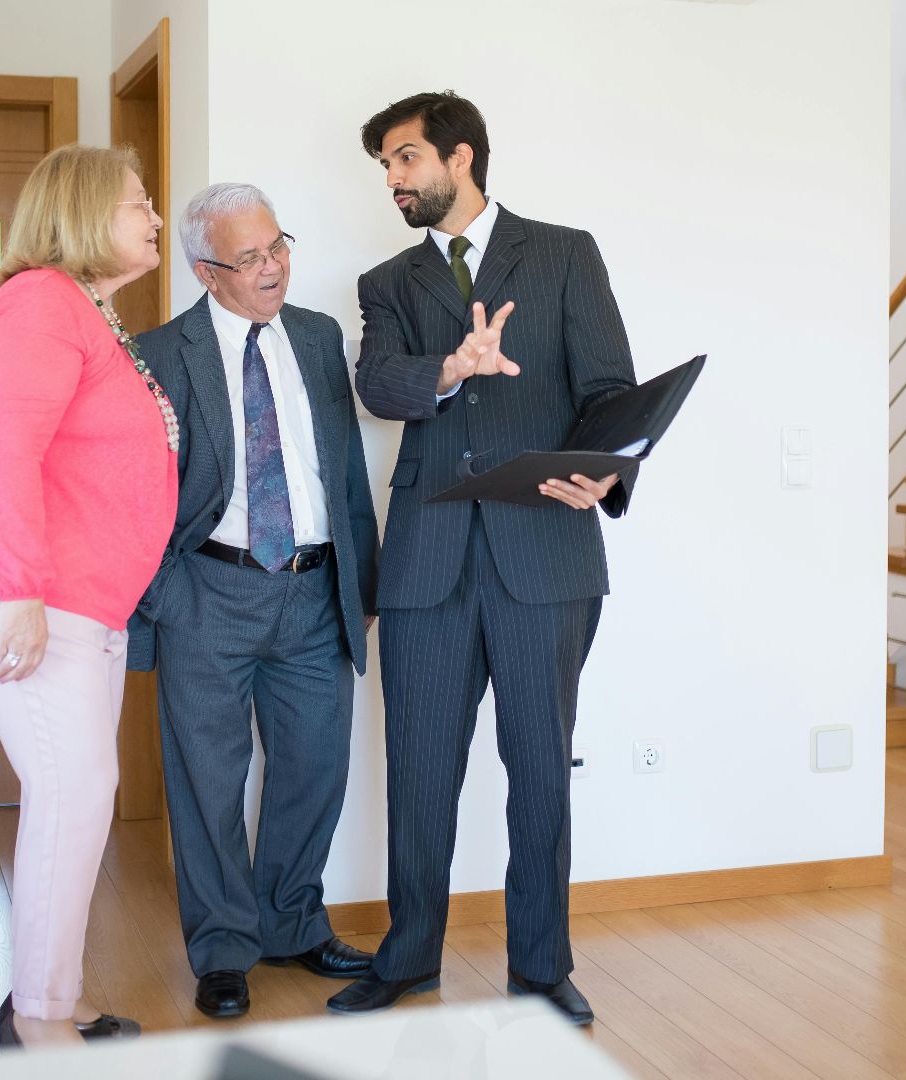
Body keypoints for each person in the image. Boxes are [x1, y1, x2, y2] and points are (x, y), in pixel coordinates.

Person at [327, 92, 638, 1025]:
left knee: (541, 766)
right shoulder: (387, 282)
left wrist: (602, 477)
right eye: (384, 164)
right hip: (427, 558)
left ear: (460, 158)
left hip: (544, 551)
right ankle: (410, 954)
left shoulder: (563, 253)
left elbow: (611, 390)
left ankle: (541, 967)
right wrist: (454, 367)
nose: (392, 179)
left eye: (405, 158)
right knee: (420, 769)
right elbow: (377, 385)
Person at [0, 143, 177, 1048]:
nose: (154, 219)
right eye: (137, 205)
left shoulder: (89, 313)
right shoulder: (40, 304)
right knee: (73, 794)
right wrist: (24, 593)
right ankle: (37, 1022)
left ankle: (54, 993)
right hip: (32, 595)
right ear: (81, 217)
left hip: (86, 601)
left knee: (78, 797)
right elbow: (5, 457)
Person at [129, 183, 380, 1019]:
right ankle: (224, 947)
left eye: (278, 247)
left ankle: (291, 924)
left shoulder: (316, 336)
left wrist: (360, 583)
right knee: (208, 778)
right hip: (209, 590)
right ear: (206, 270)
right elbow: (136, 493)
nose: (272, 267)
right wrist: (163, 595)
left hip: (312, 588)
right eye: (249, 258)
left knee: (315, 764)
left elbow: (342, 472)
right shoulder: (162, 352)